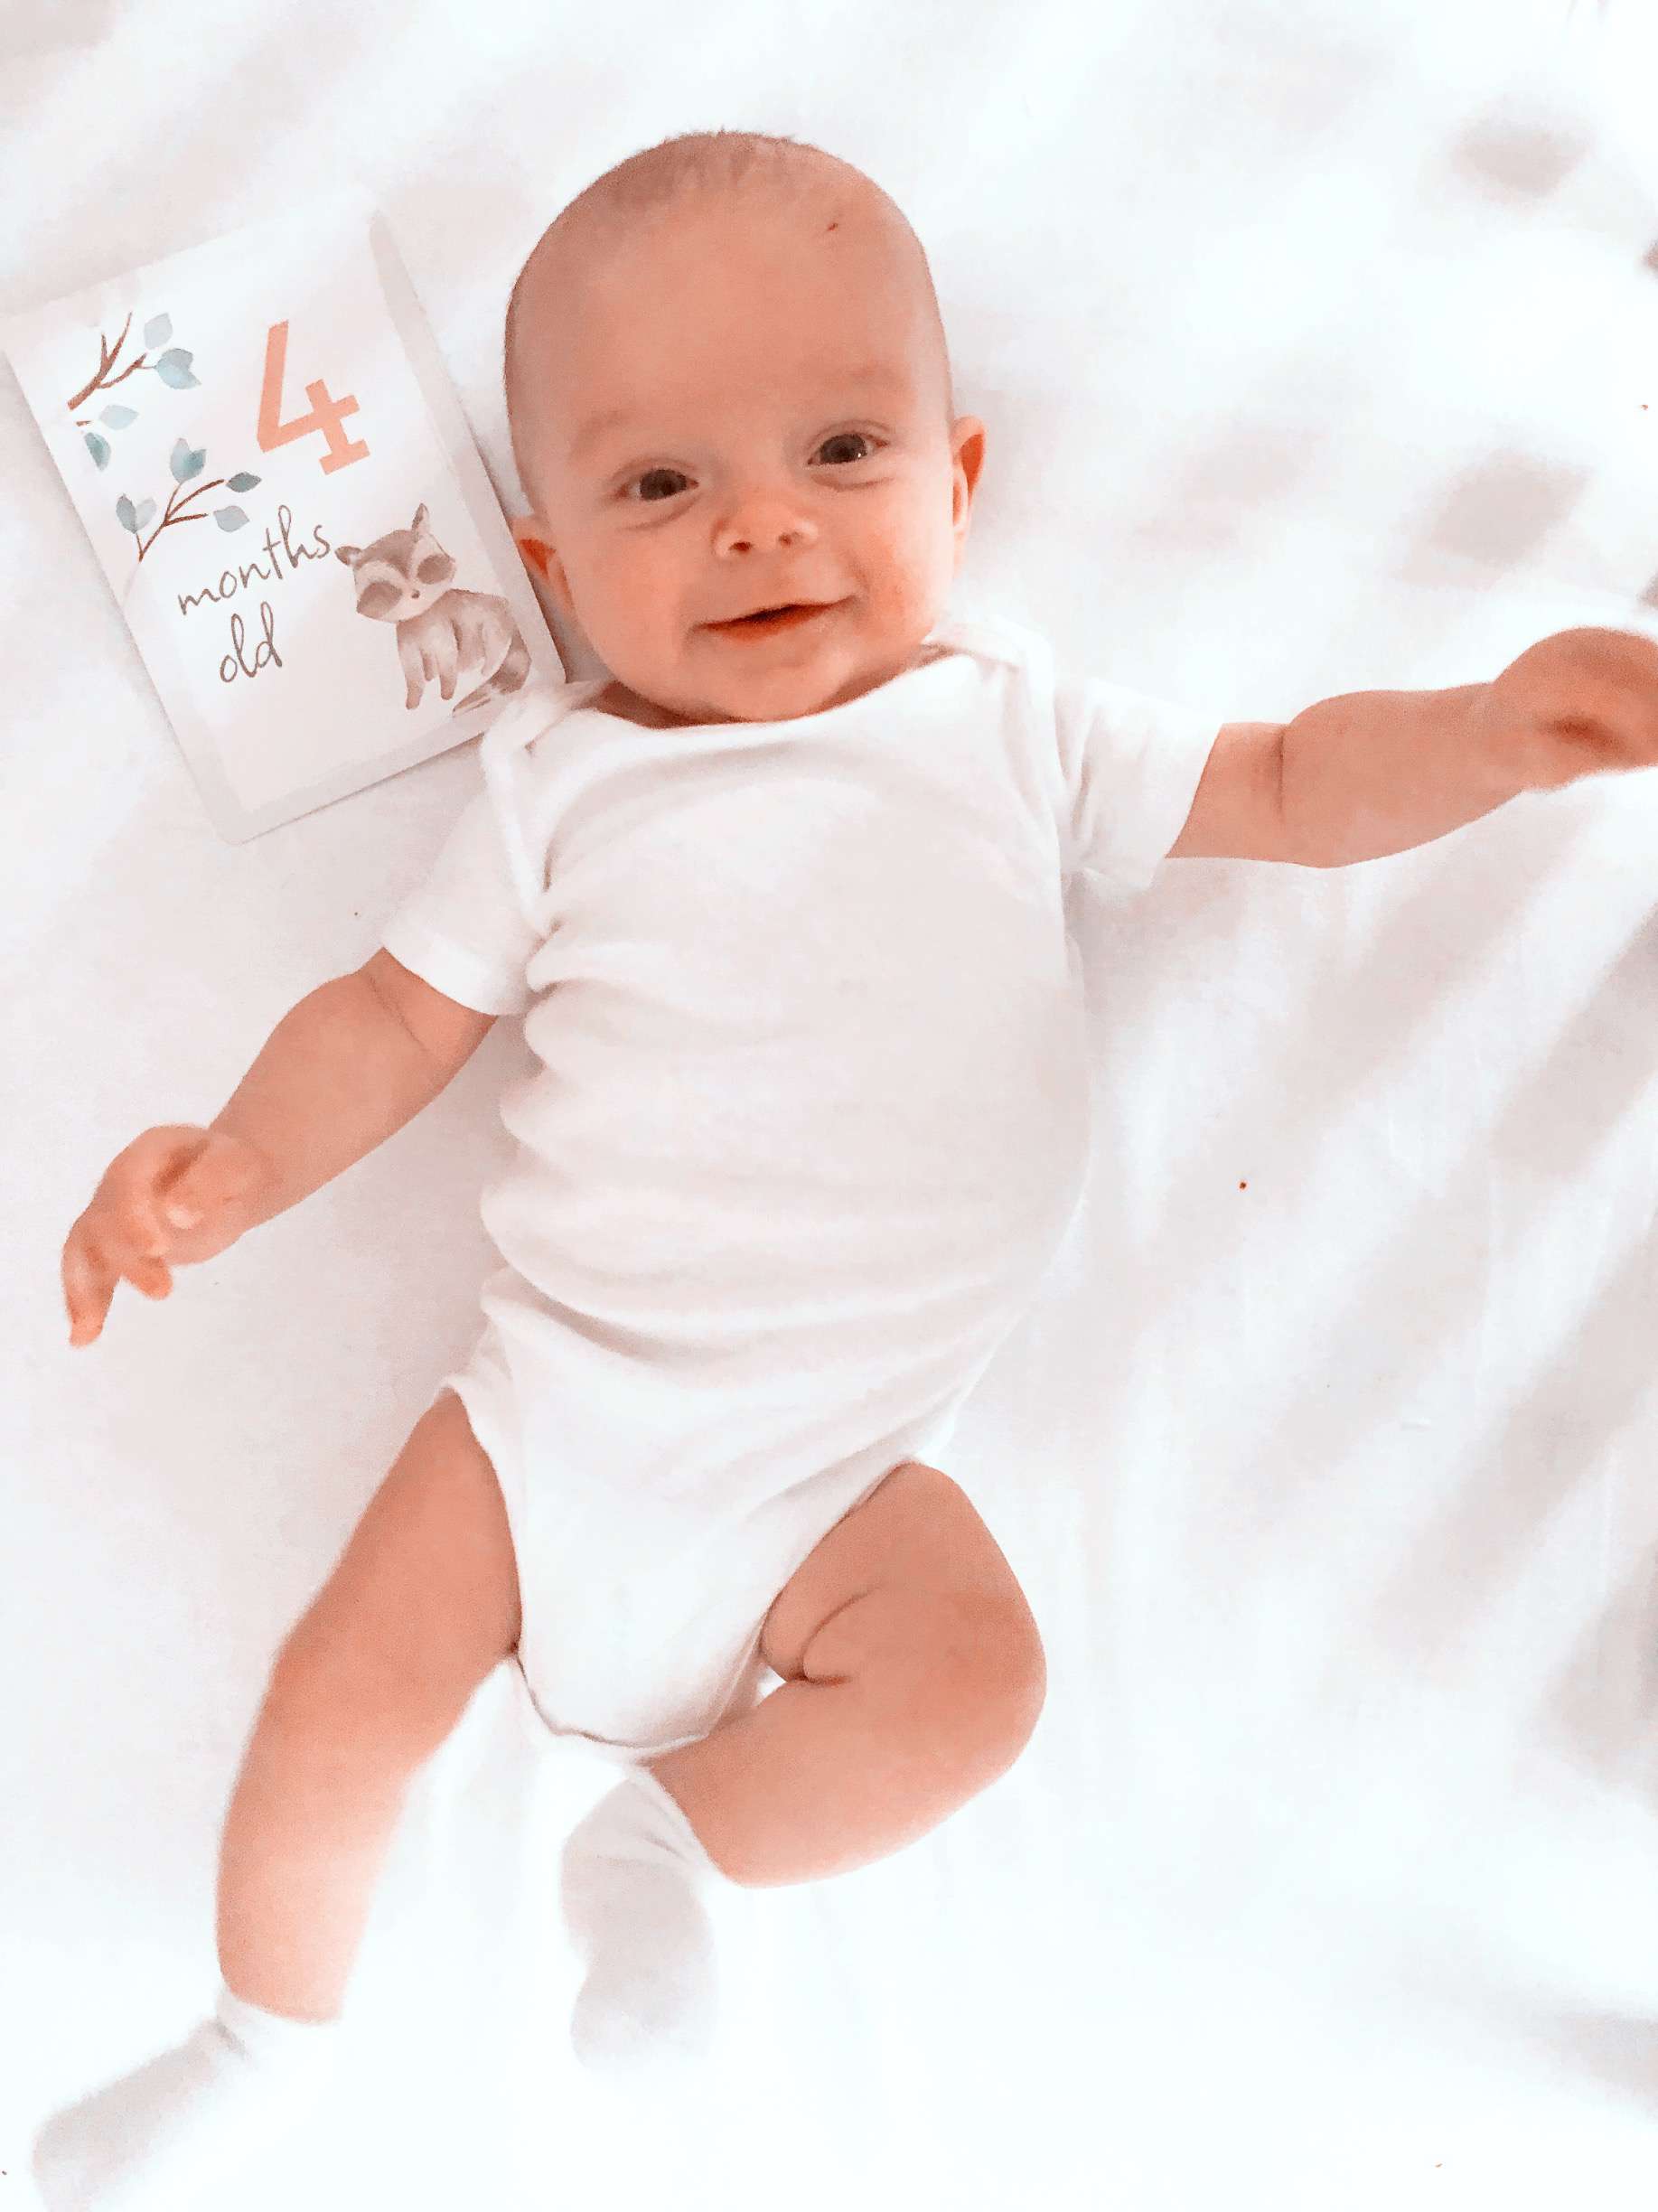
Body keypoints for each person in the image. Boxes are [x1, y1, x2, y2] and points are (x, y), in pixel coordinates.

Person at [33, 126, 1658, 2212]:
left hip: (838, 1480)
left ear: (957, 483)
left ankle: (677, 1844)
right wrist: (232, 1163)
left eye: (841, 448)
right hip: (547, 1420)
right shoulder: (560, 782)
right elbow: (390, 1018)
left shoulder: (1011, 728)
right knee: (333, 1712)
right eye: (657, 485)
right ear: (547, 568)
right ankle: (257, 2043)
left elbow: (1282, 782)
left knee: (977, 1683)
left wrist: (1496, 725)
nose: (758, 528)